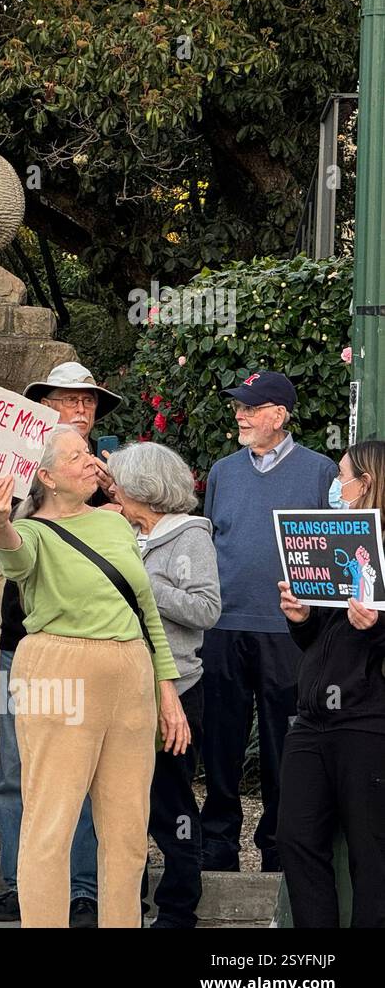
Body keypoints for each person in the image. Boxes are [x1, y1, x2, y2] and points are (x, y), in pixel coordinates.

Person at [0, 425, 185, 927]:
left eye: (90, 452)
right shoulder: (30, 530)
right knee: (51, 823)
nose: (90, 461)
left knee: (126, 831)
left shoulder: (117, 524)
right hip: (59, 670)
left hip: (131, 673)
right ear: (46, 476)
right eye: (75, 456)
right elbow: (14, 556)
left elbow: (146, 611)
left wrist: (167, 688)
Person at [0, 360, 120, 926]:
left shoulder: (113, 473)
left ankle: (82, 890)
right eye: (68, 400)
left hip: (89, 646)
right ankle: (21, 885)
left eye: (88, 402)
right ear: (43, 410)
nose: (80, 409)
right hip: (25, 644)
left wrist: (114, 491)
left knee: (79, 774)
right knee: (17, 772)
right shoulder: (18, 472)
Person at [200, 370, 338, 872]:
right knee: (220, 741)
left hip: (289, 631)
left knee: (286, 745)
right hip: (225, 626)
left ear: (278, 416)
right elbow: (216, 538)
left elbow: (331, 551)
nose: (239, 414)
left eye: (251, 408)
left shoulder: (321, 471)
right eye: (239, 406)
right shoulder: (223, 471)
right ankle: (217, 845)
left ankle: (279, 847)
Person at [108, 442, 221, 928]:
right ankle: (126, 907)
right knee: (123, 803)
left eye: (120, 483)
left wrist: (144, 581)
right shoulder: (121, 532)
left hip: (178, 687)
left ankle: (177, 910)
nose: (111, 490)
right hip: (122, 683)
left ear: (144, 490)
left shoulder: (190, 538)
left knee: (170, 804)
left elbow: (206, 610)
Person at [276, 440, 385, 927]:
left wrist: (377, 626)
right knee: (296, 840)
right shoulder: (333, 542)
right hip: (312, 718)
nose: (336, 488)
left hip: (368, 723)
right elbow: (318, 640)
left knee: (372, 855)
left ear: (368, 482)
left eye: (343, 478)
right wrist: (301, 618)